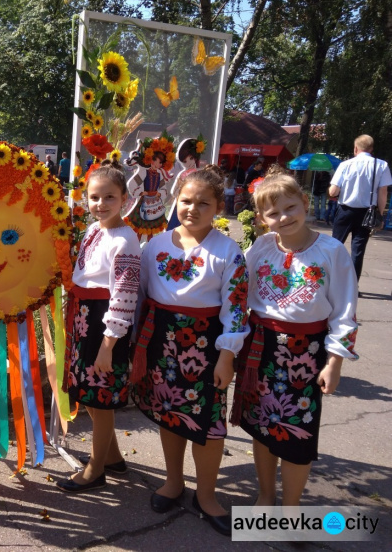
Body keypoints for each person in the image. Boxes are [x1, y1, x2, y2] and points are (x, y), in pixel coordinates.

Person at [131, 167, 249, 537]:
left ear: (217, 208)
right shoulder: (156, 245)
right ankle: (173, 481)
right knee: (171, 415)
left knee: (210, 426)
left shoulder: (228, 251)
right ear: (174, 201)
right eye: (186, 201)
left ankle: (208, 495)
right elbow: (144, 297)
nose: (192, 209)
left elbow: (236, 307)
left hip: (207, 344)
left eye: (203, 203)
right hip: (163, 340)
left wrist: (228, 355)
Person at [231, 173, 358, 508]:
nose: (283, 217)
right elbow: (238, 295)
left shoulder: (331, 251)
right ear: (261, 219)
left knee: (297, 435)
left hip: (307, 353)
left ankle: (291, 508)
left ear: (305, 202)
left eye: (290, 207)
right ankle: (266, 494)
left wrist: (335, 363)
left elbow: (344, 311)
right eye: (273, 213)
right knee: (262, 427)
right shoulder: (260, 247)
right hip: (260, 349)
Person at [57, 160, 142, 493]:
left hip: (105, 324)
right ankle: (113, 457)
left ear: (124, 198)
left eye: (109, 197)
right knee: (92, 396)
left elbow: (124, 294)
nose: (100, 204)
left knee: (101, 398)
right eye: (94, 197)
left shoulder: (126, 241)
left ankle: (95, 468)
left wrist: (109, 343)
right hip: (84, 318)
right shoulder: (94, 230)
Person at [330, 134, 392, 280]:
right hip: (367, 213)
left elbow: (334, 191)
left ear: (355, 148)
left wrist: (331, 192)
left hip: (345, 210)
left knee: (334, 246)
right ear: (371, 149)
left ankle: (331, 281)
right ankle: (352, 286)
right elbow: (383, 192)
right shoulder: (381, 165)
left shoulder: (345, 165)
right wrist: (380, 214)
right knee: (358, 251)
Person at [166, 138, 203, 231]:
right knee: (174, 225)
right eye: (185, 161)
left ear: (195, 157)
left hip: (195, 205)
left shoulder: (200, 174)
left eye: (191, 158)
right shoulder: (182, 174)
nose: (188, 163)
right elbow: (173, 191)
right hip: (181, 204)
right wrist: (181, 192)